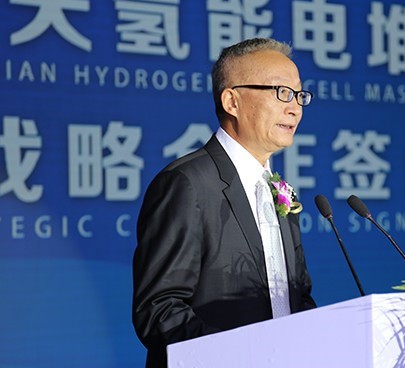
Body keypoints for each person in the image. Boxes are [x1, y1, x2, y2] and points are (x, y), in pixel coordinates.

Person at [132, 38, 317, 368]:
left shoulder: (280, 191)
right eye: (282, 92)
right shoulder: (187, 183)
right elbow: (160, 310)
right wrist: (237, 358)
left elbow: (297, 297)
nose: (295, 108)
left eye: (299, 95)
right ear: (232, 101)